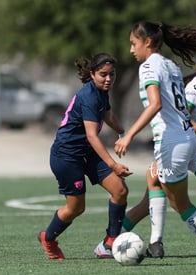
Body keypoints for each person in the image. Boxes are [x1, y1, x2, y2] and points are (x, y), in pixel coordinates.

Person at [115, 21, 196, 265]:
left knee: (180, 203)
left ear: (147, 42)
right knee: (153, 178)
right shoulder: (170, 65)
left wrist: (129, 135)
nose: (131, 50)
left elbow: (156, 104)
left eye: (133, 43)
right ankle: (151, 242)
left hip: (172, 142)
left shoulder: (149, 66)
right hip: (183, 137)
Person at [37, 53, 132, 260]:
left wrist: (123, 132)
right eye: (103, 75)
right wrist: (113, 164)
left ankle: (110, 243)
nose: (108, 79)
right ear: (92, 74)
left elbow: (107, 115)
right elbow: (91, 135)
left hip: (86, 152)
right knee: (76, 208)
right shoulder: (88, 96)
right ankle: (48, 237)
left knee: (120, 190)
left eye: (112, 74)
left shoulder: (102, 92)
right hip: (67, 156)